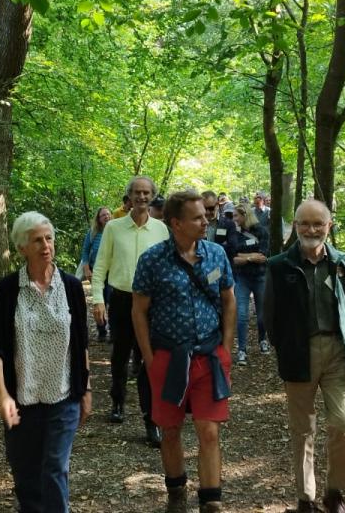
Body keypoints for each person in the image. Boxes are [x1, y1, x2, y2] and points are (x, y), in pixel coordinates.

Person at [131, 190, 236, 513]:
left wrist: (227, 348)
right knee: (171, 429)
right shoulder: (152, 260)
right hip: (167, 357)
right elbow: (139, 311)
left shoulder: (216, 254)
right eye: (198, 217)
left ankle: (210, 500)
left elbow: (230, 300)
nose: (205, 221)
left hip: (209, 356)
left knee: (208, 430)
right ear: (176, 223)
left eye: (205, 215)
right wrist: (149, 359)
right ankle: (176, 491)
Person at [0, 211, 92, 513]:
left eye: (49, 238)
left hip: (63, 396)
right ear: (21, 249)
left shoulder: (70, 286)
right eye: (37, 241)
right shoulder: (7, 290)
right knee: (26, 477)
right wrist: (2, 393)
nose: (46, 245)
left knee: (54, 469)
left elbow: (81, 342)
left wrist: (87, 389)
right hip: (21, 400)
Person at [263, 199, 345, 513]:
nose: (311, 229)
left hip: (336, 352)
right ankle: (306, 498)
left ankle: (336, 493)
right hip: (299, 353)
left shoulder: (344, 261)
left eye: (318, 223)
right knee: (302, 429)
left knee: (343, 422)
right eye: (304, 223)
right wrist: (285, 347)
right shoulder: (279, 265)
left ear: (329, 226)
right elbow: (270, 313)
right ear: (295, 225)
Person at [91, 176, 169, 446]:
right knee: (121, 354)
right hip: (122, 298)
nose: (142, 197)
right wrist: (98, 299)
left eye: (146, 193)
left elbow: (168, 269)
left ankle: (152, 420)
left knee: (149, 358)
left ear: (152, 196)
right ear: (129, 196)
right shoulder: (113, 227)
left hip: (153, 302)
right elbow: (101, 266)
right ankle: (118, 402)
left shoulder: (162, 230)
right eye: (137, 192)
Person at [229, 203, 270, 365]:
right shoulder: (235, 233)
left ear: (245, 215)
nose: (234, 219)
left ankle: (262, 340)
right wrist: (251, 257)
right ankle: (241, 349)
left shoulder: (261, 231)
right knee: (242, 315)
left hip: (260, 277)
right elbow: (234, 256)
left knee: (261, 315)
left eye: (236, 216)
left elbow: (263, 255)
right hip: (242, 279)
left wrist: (245, 257)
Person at [79, 206, 113, 341]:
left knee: (112, 300)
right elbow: (85, 252)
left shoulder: (115, 231)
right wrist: (87, 269)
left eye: (108, 214)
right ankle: (102, 331)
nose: (107, 217)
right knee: (99, 300)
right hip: (96, 271)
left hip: (112, 272)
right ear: (98, 219)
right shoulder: (93, 232)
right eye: (103, 215)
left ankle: (114, 331)